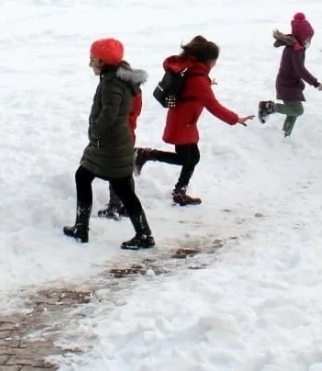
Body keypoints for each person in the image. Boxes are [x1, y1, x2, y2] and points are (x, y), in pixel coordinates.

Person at [135, 36, 253, 206]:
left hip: (185, 121)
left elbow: (193, 88)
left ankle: (179, 191)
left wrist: (207, 83)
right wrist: (236, 119)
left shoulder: (195, 72)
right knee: (186, 158)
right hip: (182, 123)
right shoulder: (199, 79)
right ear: (209, 61)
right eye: (215, 61)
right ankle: (146, 155)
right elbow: (213, 105)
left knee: (193, 157)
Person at [63, 39, 155, 250]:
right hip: (111, 143)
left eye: (92, 59)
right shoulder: (115, 78)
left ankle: (144, 235)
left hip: (110, 145)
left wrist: (95, 131)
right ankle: (81, 228)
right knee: (84, 177)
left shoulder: (112, 84)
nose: (90, 64)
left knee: (121, 189)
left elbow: (109, 114)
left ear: (103, 62)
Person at [258, 13, 322, 138]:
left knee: (293, 111)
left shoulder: (297, 46)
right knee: (297, 110)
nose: (309, 41)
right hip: (286, 85)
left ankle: (286, 135)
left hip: (291, 84)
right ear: (301, 37)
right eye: (308, 39)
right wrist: (315, 83)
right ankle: (269, 107)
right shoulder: (296, 50)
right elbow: (300, 70)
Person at [98, 79, 144, 221]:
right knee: (126, 172)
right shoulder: (136, 93)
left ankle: (114, 206)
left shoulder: (121, 95)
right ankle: (127, 206)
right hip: (129, 135)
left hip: (118, 136)